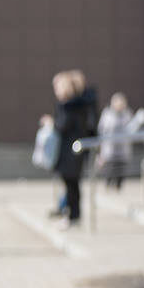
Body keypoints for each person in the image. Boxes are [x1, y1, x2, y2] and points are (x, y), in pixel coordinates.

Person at [52, 70, 98, 228]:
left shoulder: (70, 107)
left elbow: (63, 126)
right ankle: (72, 214)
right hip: (74, 151)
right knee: (72, 185)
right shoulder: (78, 105)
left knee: (71, 185)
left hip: (71, 151)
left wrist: (52, 123)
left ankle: (72, 216)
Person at [97, 92, 134, 190]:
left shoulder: (127, 114)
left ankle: (118, 187)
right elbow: (101, 129)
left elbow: (131, 129)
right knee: (109, 170)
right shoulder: (107, 114)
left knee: (120, 171)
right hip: (110, 149)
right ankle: (108, 186)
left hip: (123, 149)